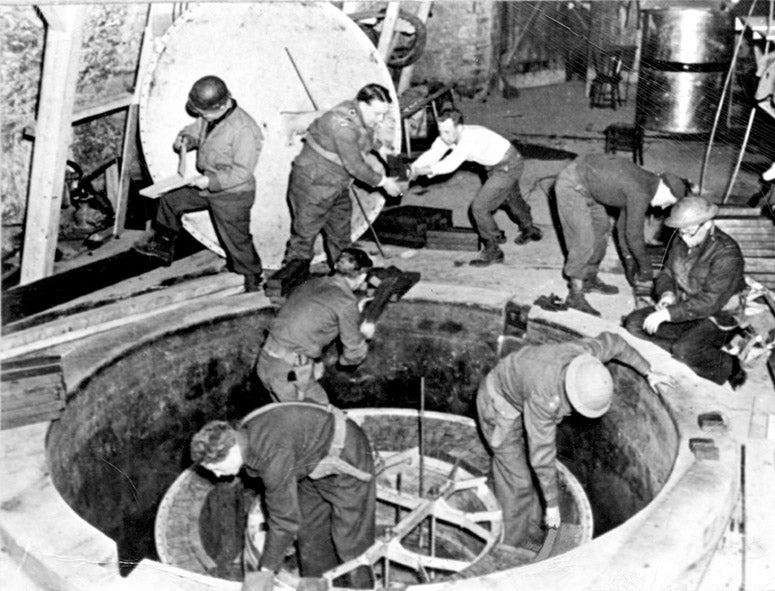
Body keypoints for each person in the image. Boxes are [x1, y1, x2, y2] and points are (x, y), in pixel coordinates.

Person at [476, 331, 675, 552]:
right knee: (518, 481)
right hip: (498, 407)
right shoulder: (546, 397)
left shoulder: (585, 357)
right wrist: (552, 506)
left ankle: (526, 529)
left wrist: (648, 372)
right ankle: (508, 547)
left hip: (518, 390)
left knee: (523, 475)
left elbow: (616, 343)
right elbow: (541, 456)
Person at [190, 402, 376, 591]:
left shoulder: (271, 456)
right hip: (311, 460)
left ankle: (362, 587)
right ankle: (317, 586)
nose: (217, 475)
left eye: (216, 467)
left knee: (350, 541)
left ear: (232, 451)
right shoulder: (243, 434)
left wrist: (265, 572)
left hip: (346, 455)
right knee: (310, 531)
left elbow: (284, 521)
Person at [135, 76, 265, 292]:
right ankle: (164, 246)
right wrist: (186, 139)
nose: (202, 116)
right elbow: (196, 129)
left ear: (223, 104)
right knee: (171, 200)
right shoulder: (210, 116)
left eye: (204, 113)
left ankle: (252, 277)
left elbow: (242, 172)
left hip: (233, 194)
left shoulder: (244, 130)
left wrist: (210, 181)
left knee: (235, 239)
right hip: (208, 185)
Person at [623, 196, 748, 389]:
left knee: (684, 351)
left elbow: (711, 301)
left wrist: (667, 314)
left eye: (689, 232)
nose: (684, 238)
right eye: (681, 232)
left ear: (708, 224)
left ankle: (729, 365)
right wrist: (667, 294)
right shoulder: (681, 240)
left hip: (718, 316)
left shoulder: (727, 253)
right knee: (633, 324)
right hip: (685, 309)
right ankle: (691, 348)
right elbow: (667, 273)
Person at [283, 83, 403, 269]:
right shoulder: (341, 125)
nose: (380, 120)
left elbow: (364, 136)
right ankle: (292, 279)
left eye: (383, 114)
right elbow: (355, 167)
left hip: (337, 184)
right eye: (377, 114)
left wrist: (382, 150)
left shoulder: (357, 114)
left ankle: (345, 277)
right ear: (363, 105)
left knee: (341, 236)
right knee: (304, 238)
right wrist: (384, 182)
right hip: (314, 185)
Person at [554, 153, 689, 316]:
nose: (663, 207)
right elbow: (634, 236)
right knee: (583, 241)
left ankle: (588, 278)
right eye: (669, 202)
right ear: (665, 191)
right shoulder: (640, 193)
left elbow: (622, 226)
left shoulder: (648, 183)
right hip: (572, 185)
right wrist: (645, 268)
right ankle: (575, 295)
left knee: (602, 228)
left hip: (588, 185)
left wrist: (629, 258)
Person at [410, 108, 543, 267]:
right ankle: (529, 228)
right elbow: (433, 153)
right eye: (441, 132)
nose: (443, 136)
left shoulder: (469, 138)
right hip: (495, 165)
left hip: (509, 165)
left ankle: (493, 250)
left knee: (480, 207)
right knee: (510, 199)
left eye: (447, 132)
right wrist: (413, 168)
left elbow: (450, 164)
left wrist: (422, 171)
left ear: (459, 128)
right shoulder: (448, 136)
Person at [257, 247, 375, 404]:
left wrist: (316, 361)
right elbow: (352, 356)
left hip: (266, 361)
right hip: (288, 372)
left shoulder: (312, 283)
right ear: (362, 276)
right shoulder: (346, 301)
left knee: (288, 415)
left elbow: (305, 326)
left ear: (335, 266)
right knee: (323, 415)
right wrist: (364, 335)